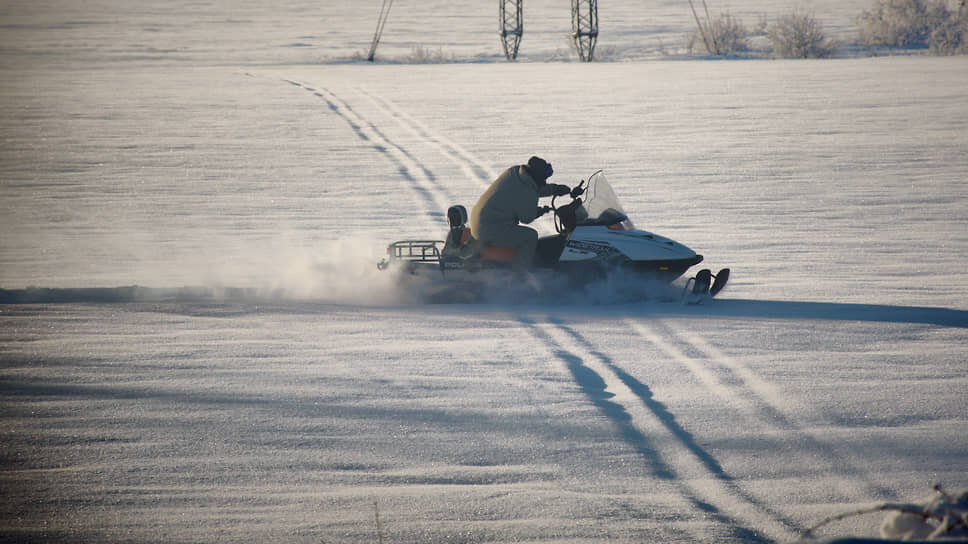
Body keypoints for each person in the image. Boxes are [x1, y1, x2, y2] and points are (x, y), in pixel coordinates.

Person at [469, 156, 571, 275]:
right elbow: (527, 217)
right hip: (490, 228)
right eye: (545, 175)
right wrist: (540, 211)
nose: (546, 179)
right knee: (530, 236)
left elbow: (533, 189)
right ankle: (520, 275)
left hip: (480, 220)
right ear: (537, 175)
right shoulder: (527, 189)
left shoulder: (516, 173)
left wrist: (555, 189)